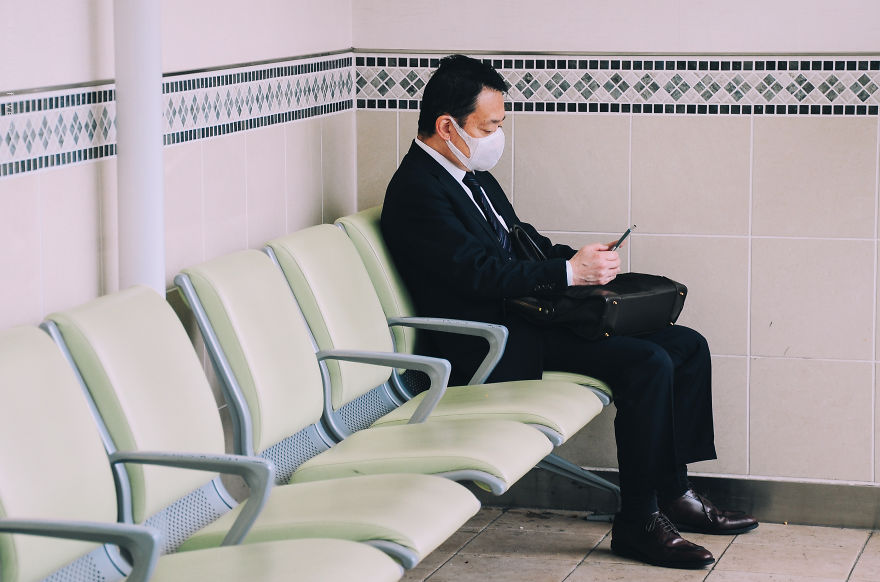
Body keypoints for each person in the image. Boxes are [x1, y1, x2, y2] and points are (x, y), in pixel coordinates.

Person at [381, 54, 758, 569]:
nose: (498, 136)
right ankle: (638, 523)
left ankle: (674, 494)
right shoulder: (416, 192)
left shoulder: (470, 174)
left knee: (686, 345)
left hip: (526, 317)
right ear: (448, 126)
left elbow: (520, 244)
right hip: (490, 342)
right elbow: (477, 275)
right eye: (490, 125)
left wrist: (577, 261)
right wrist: (566, 277)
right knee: (647, 364)